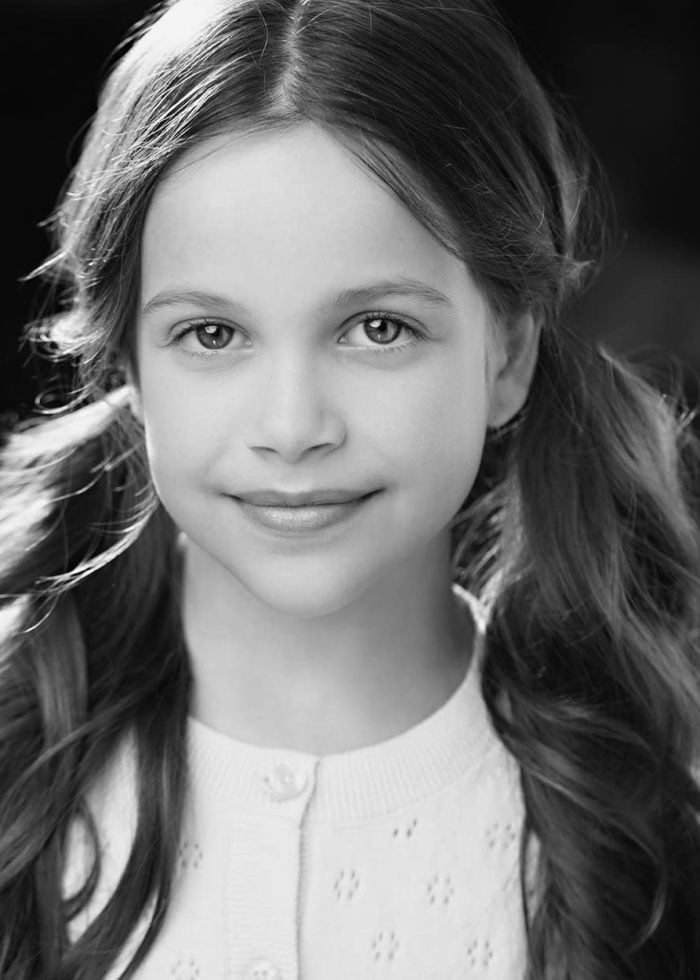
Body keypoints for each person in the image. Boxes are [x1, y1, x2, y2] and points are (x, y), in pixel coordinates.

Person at [1, 0, 699, 976]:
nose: (293, 428)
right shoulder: (18, 786)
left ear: (506, 353)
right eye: (212, 333)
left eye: (375, 327)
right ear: (128, 363)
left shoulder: (647, 822)